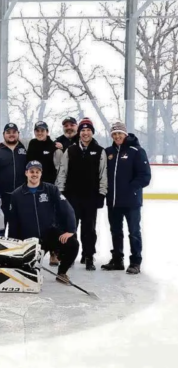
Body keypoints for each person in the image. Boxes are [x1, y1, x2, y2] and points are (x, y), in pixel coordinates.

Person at [8, 161, 79, 285]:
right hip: (30, 239)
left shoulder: (51, 189)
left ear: (41, 173)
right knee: (29, 272)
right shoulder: (16, 195)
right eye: (31, 172)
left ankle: (62, 273)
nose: (34, 174)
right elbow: (14, 221)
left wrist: (71, 230)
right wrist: (14, 244)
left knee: (73, 243)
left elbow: (67, 209)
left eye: (37, 172)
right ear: (26, 173)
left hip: (50, 234)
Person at [56, 118, 107, 270]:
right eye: (83, 130)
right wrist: (61, 192)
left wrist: (101, 193)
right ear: (79, 133)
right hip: (72, 196)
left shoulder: (99, 151)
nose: (85, 133)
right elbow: (62, 172)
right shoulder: (70, 150)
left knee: (89, 228)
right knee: (71, 227)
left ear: (92, 133)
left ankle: (89, 256)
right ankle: (70, 256)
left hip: (90, 197)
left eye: (88, 130)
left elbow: (103, 174)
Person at [101, 121, 151, 275]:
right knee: (116, 231)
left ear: (125, 134)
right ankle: (117, 260)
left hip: (131, 202)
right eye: (114, 134)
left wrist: (130, 189)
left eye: (119, 133)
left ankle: (135, 262)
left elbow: (145, 176)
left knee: (134, 232)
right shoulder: (108, 152)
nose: (117, 136)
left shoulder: (136, 151)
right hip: (113, 201)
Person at [0, 122, 27, 226]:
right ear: (3, 134)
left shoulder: (25, 149)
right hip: (1, 198)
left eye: (14, 132)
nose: (11, 134)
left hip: (21, 196)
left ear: (18, 133)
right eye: (8, 132)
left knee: (18, 229)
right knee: (0, 228)